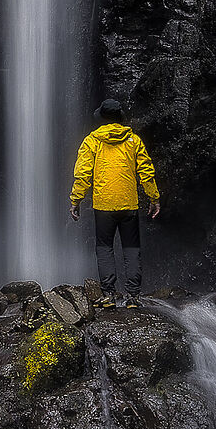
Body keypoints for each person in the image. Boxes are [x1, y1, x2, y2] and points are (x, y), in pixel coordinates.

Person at [69, 99, 160, 305]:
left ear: (101, 118)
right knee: (131, 248)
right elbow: (146, 172)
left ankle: (108, 294)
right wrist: (154, 198)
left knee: (104, 248)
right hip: (129, 205)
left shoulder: (92, 141)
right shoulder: (133, 141)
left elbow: (83, 174)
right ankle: (133, 296)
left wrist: (76, 200)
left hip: (103, 206)